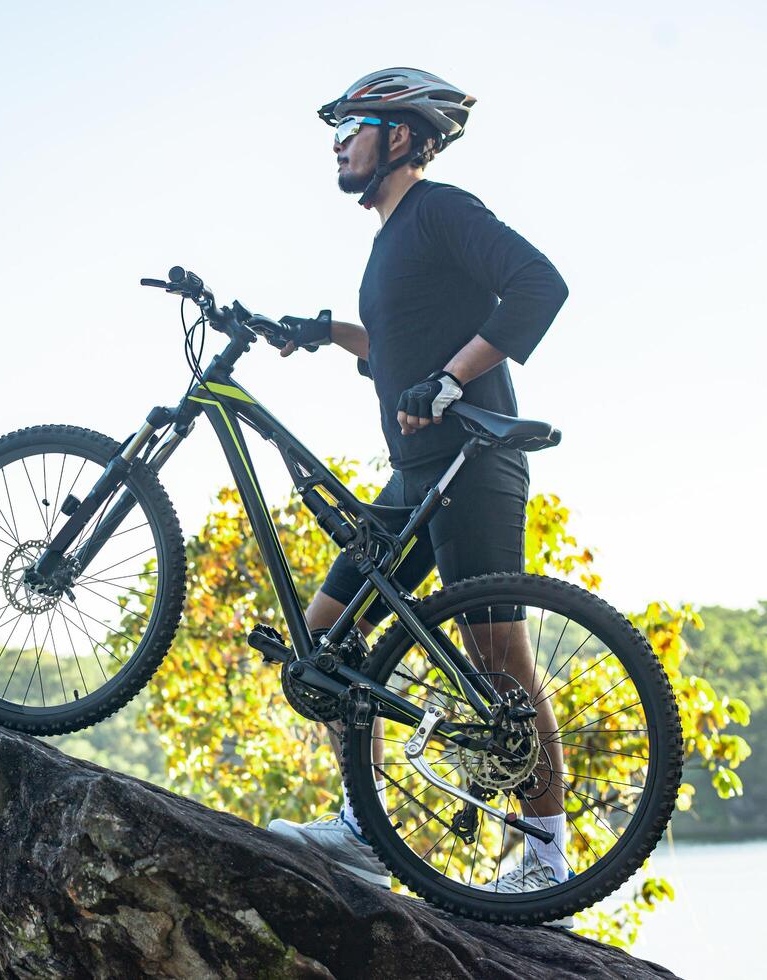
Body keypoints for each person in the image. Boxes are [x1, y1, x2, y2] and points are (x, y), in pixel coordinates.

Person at [264, 68, 571, 902]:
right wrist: (325, 333)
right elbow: (400, 349)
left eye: (351, 126)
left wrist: (450, 378)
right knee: (321, 646)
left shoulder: (441, 210)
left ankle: (545, 853)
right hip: (412, 476)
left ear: (400, 136)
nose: (337, 143)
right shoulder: (387, 242)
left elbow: (540, 285)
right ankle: (365, 827)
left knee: (495, 654)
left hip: (474, 458)